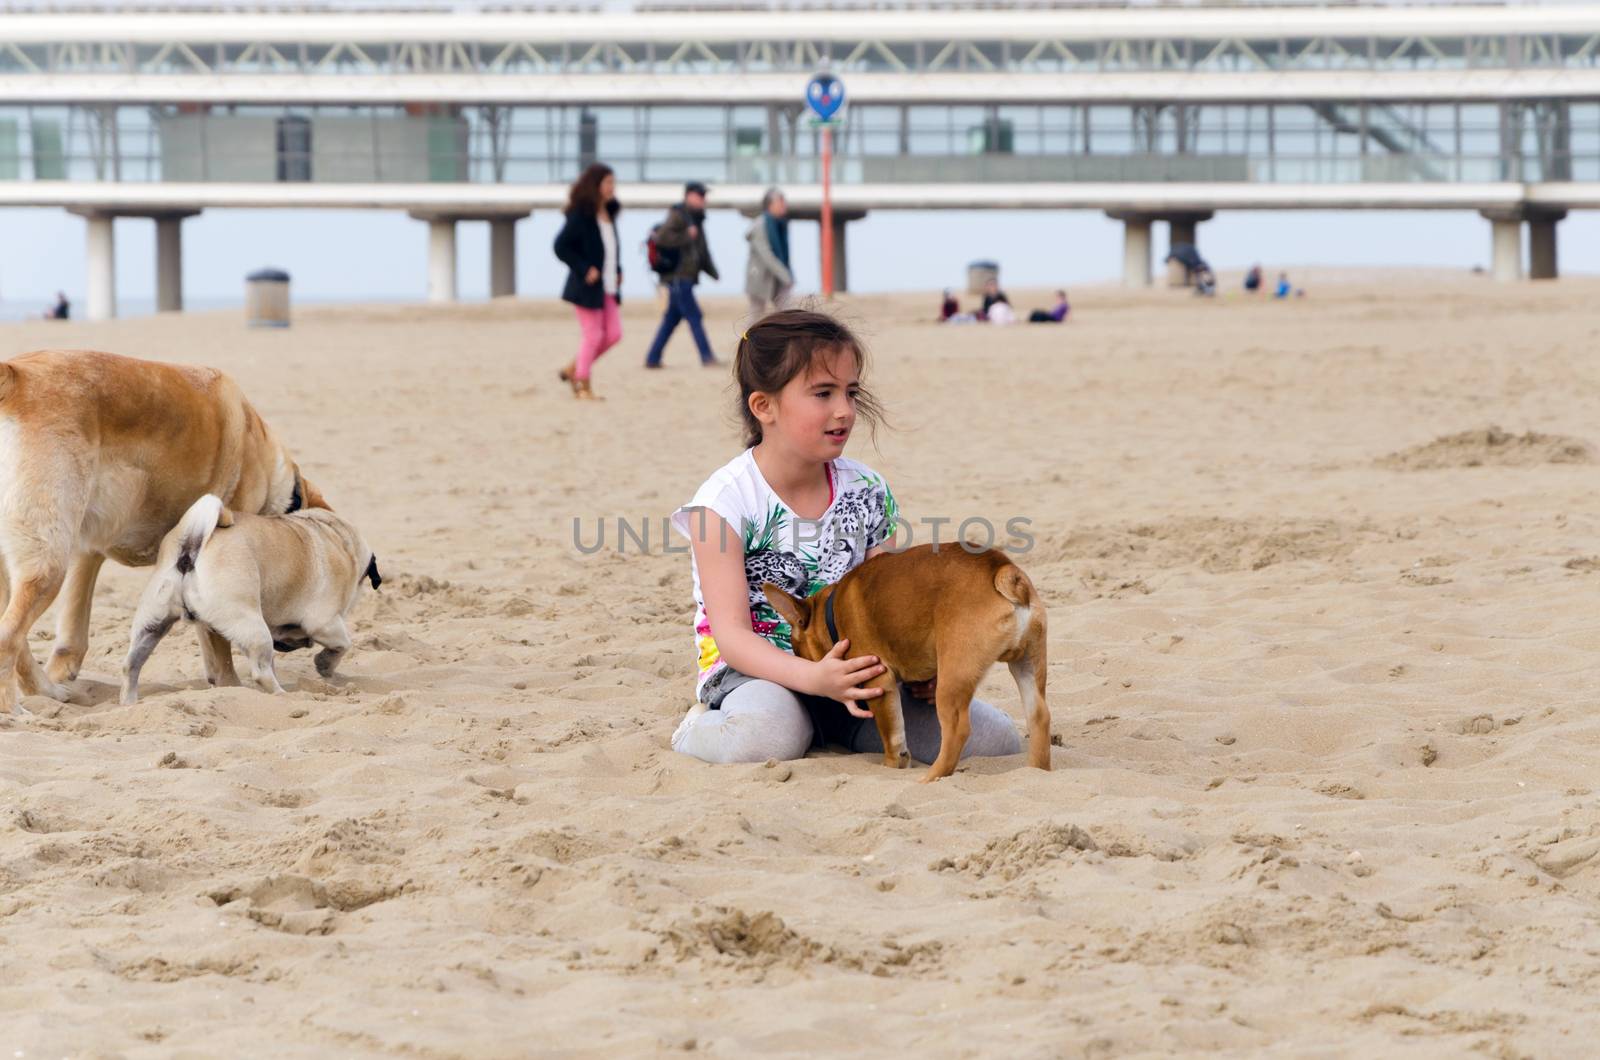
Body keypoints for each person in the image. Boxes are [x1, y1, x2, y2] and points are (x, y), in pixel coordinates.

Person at [668, 308, 1023, 765]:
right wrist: (813, 679)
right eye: (823, 393)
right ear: (764, 406)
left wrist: (924, 667)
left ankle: (836, 729)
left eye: (850, 392)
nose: (845, 411)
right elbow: (733, 636)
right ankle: (697, 727)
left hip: (862, 674)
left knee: (994, 740)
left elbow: (893, 606)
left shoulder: (868, 489)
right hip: (758, 674)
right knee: (766, 739)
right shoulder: (723, 503)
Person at [553, 163, 623, 401]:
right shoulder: (581, 215)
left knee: (613, 334)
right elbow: (560, 246)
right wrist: (584, 269)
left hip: (608, 287)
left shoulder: (609, 213)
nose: (612, 187)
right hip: (586, 288)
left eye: (613, 182)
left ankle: (573, 368)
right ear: (596, 185)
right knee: (593, 336)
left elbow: (610, 250)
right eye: (608, 183)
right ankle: (582, 384)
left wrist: (618, 270)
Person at [645, 180, 721, 368]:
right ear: (688, 195)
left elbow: (702, 250)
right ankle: (707, 356)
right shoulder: (678, 214)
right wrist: (687, 235)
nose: (704, 199)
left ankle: (652, 358)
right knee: (694, 316)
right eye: (700, 195)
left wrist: (712, 272)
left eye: (704, 195)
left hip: (686, 276)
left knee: (671, 319)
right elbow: (662, 237)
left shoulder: (697, 218)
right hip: (678, 276)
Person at [745, 188, 793, 318]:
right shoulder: (761, 225)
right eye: (780, 202)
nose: (784, 205)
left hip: (777, 278)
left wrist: (786, 274)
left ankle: (786, 338)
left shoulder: (780, 224)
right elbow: (767, 255)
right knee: (755, 317)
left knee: (786, 315)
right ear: (770, 205)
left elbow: (783, 254)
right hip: (760, 277)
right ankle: (746, 339)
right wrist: (786, 275)